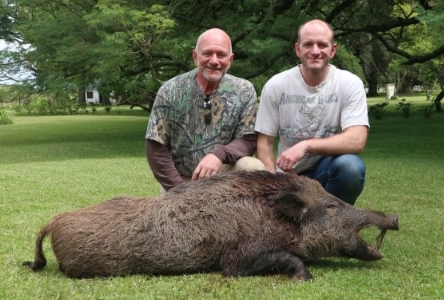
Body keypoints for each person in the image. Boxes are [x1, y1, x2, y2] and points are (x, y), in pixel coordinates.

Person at [255, 19, 369, 205]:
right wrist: (272, 183)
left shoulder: (349, 83)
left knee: (350, 167)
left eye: (322, 45)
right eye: (308, 44)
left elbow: (357, 139)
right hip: (288, 176)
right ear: (298, 49)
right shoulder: (276, 85)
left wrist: (306, 145)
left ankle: (334, 225)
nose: (315, 51)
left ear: (332, 50)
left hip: (326, 172)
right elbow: (264, 143)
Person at [145, 28, 264, 192]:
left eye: (221, 55)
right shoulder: (170, 90)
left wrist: (218, 155)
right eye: (207, 53)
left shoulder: (244, 90)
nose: (214, 61)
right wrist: (179, 190)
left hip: (224, 178)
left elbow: (248, 139)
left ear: (230, 60)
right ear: (195, 57)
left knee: (253, 167)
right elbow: (155, 146)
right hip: (180, 180)